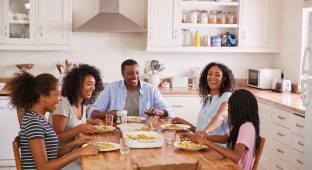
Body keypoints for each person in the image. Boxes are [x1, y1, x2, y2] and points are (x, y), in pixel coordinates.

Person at [5, 72, 99, 169]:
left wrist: (75, 143)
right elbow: (43, 167)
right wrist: (79, 152)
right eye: (57, 95)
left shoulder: (40, 118)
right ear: (43, 97)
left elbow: (51, 154)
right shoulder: (33, 122)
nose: (59, 100)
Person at [188, 89, 260, 170]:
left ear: (240, 108)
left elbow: (235, 156)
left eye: (231, 106)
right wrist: (205, 136)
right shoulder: (239, 124)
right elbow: (224, 138)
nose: (229, 109)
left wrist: (206, 142)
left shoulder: (246, 127)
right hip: (228, 165)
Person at [89, 59, 172, 119]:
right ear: (123, 75)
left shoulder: (151, 89)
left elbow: (169, 111)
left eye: (137, 73)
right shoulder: (111, 88)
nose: (135, 76)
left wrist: (157, 112)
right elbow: (92, 111)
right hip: (117, 128)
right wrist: (108, 114)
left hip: (144, 131)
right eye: (130, 74)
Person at [171, 62, 236, 135]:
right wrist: (186, 124)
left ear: (224, 79)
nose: (212, 77)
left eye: (217, 75)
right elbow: (200, 132)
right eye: (210, 74)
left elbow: (221, 116)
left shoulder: (227, 96)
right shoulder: (208, 100)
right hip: (201, 144)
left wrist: (204, 132)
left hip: (216, 145)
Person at [51, 64, 104, 144]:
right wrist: (80, 128)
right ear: (77, 85)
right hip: (63, 152)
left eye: (94, 84)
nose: (93, 88)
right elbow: (56, 138)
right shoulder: (63, 103)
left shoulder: (83, 103)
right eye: (89, 84)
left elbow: (72, 125)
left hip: (78, 147)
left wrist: (89, 123)